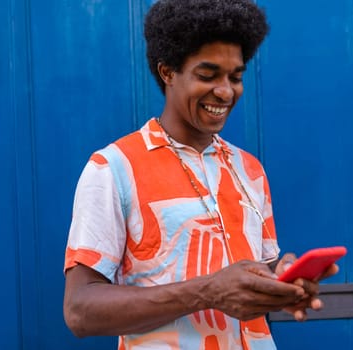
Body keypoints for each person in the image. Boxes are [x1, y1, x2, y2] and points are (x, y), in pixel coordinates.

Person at [63, 0, 338, 349]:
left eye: (235, 77)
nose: (225, 91)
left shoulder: (248, 169)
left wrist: (284, 284)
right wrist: (207, 291)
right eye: (207, 76)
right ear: (167, 72)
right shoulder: (113, 168)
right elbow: (79, 311)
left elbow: (252, 280)